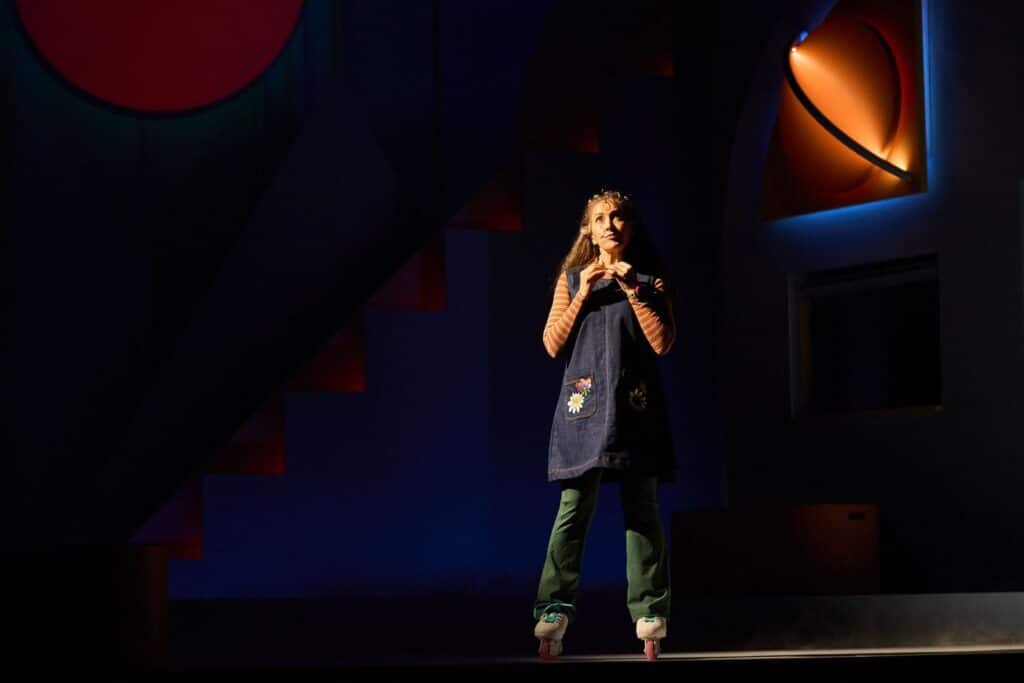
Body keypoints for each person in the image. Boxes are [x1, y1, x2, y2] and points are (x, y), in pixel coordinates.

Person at [532, 189, 676, 661]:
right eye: (600, 219)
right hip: (583, 407)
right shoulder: (572, 280)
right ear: (589, 231)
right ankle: (553, 608)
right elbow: (552, 343)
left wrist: (634, 290)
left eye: (618, 217)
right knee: (573, 508)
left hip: (636, 407)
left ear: (630, 227)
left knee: (642, 509)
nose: (609, 225)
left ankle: (649, 610)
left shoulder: (651, 281)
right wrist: (583, 293)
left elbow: (663, 343)